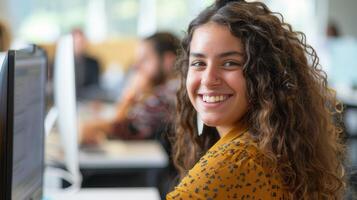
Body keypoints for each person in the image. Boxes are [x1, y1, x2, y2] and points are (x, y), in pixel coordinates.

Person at [166, 0, 345, 199]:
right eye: (199, 63)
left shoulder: (237, 161)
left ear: (265, 74)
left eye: (229, 63)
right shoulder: (270, 148)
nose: (208, 79)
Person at [80, 32, 179, 144]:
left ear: (168, 60)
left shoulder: (168, 94)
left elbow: (121, 128)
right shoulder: (162, 91)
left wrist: (130, 94)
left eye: (145, 59)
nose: (136, 66)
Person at [72, 28, 101, 99]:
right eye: (76, 43)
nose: (78, 46)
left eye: (81, 42)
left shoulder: (93, 63)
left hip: (87, 101)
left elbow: (95, 87)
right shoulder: (62, 65)